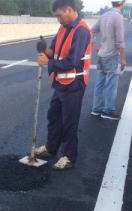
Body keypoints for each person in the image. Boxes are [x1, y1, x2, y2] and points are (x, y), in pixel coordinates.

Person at [35, 0, 92, 170]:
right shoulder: (63, 28)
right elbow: (54, 51)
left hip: (74, 83)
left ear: (69, 10)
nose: (58, 20)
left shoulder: (81, 30)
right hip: (60, 82)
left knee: (69, 121)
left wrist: (48, 63)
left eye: (59, 15)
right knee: (54, 116)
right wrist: (45, 51)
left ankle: (69, 156)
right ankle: (51, 147)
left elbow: (72, 61)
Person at [90, 1, 127, 121]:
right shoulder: (118, 17)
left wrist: (95, 46)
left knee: (99, 83)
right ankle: (108, 110)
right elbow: (120, 41)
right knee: (111, 84)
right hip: (111, 55)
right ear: (123, 3)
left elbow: (91, 31)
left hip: (101, 54)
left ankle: (96, 109)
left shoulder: (104, 15)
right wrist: (122, 58)